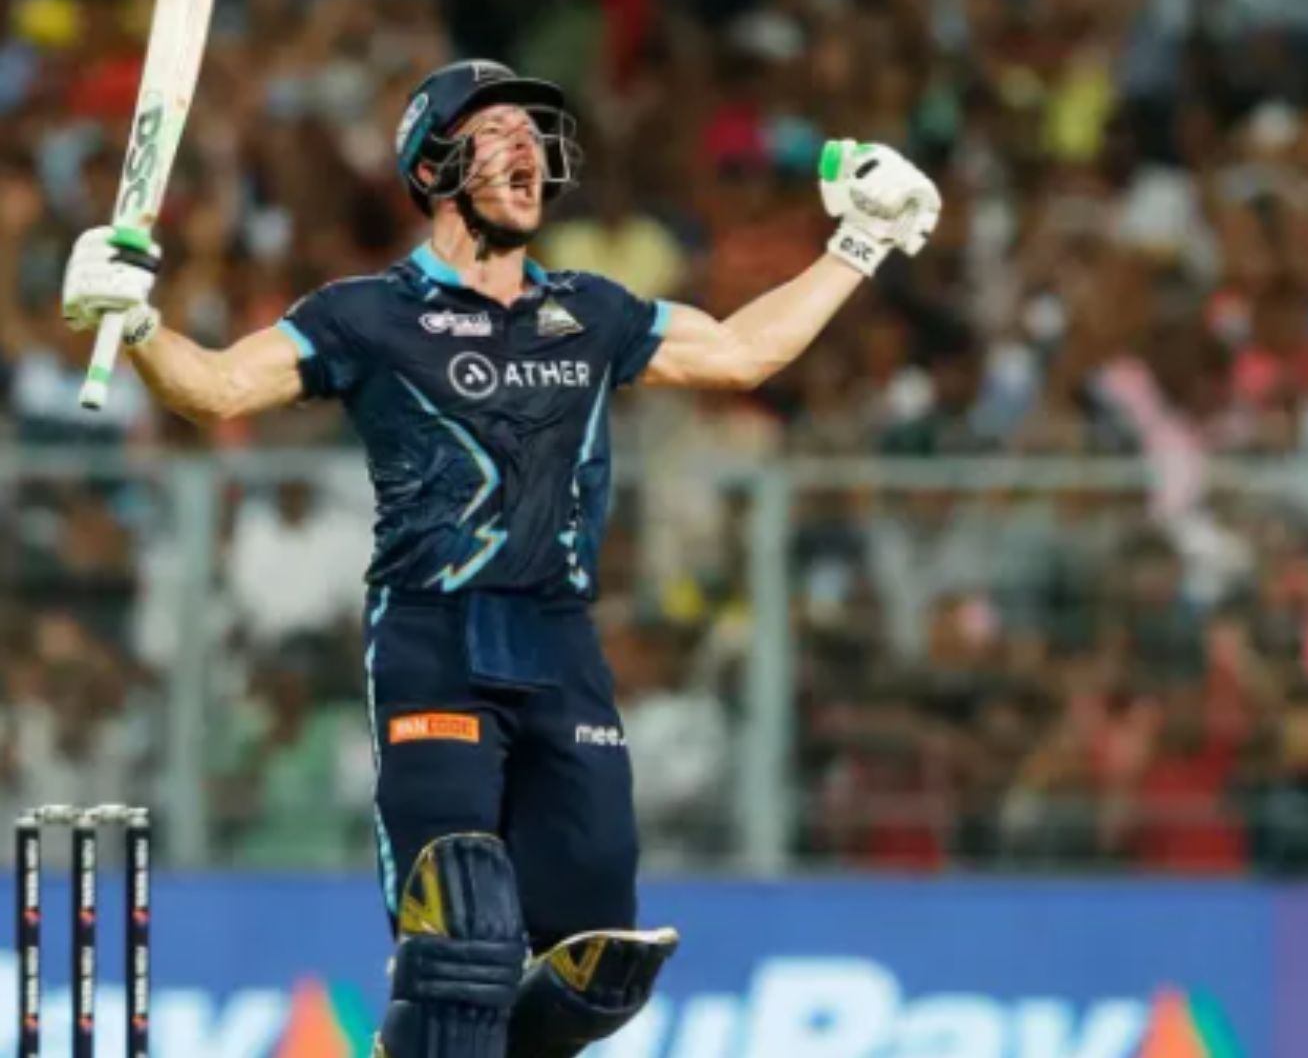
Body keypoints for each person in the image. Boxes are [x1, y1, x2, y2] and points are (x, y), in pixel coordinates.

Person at [58, 60, 941, 1058]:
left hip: (558, 643)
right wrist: (137, 324)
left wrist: (861, 244)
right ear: (433, 163)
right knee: (466, 926)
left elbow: (741, 352)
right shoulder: (366, 314)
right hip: (433, 632)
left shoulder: (593, 311)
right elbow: (213, 389)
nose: (530, 151)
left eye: (537, 135)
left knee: (604, 967)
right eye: (500, 133)